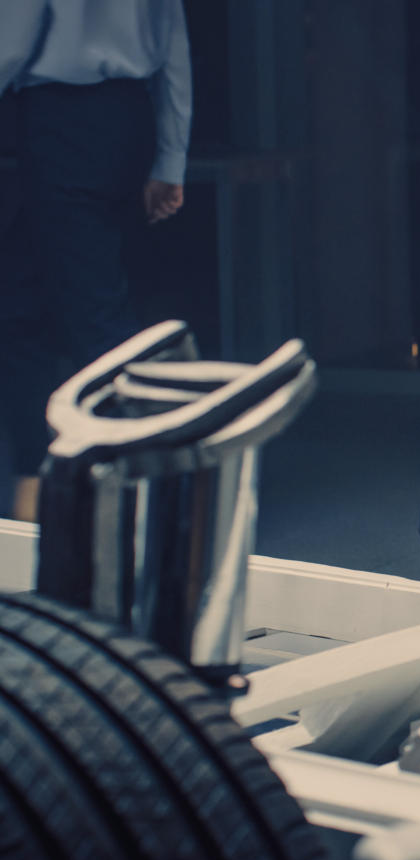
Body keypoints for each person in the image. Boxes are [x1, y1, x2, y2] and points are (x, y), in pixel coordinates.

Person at [0, 0, 192, 522]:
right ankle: (39, 488)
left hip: (63, 122)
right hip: (128, 119)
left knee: (98, 326)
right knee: (18, 306)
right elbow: (173, 42)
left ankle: (157, 495)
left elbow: (11, 41)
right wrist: (170, 158)